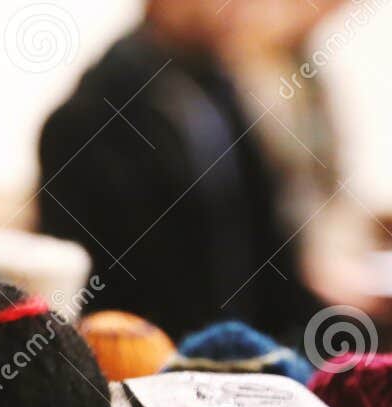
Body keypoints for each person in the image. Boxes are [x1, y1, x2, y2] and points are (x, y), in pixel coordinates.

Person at [38, 0, 353, 345]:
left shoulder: (222, 94)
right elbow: (123, 302)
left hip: (247, 363)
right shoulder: (90, 119)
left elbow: (273, 265)